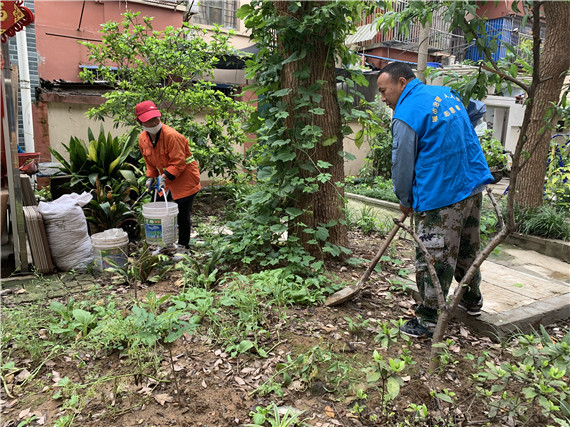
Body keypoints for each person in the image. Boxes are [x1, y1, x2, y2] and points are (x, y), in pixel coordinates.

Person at [376, 62, 493, 338]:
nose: (382, 98)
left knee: (434, 255)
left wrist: (405, 198)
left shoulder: (406, 113)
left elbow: (402, 164)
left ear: (401, 83)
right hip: (471, 183)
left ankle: (429, 319)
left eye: (383, 91)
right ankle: (471, 300)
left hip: (442, 192)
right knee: (466, 248)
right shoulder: (445, 93)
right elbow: (471, 118)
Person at [135, 100, 201, 250]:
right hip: (164, 180)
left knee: (182, 214)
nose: (154, 122)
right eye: (149, 120)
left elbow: (179, 162)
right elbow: (149, 162)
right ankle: (163, 243)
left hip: (185, 178)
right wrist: (151, 178)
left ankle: (183, 246)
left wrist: (163, 177)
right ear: (140, 122)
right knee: (159, 209)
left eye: (155, 118)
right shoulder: (143, 139)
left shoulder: (171, 136)